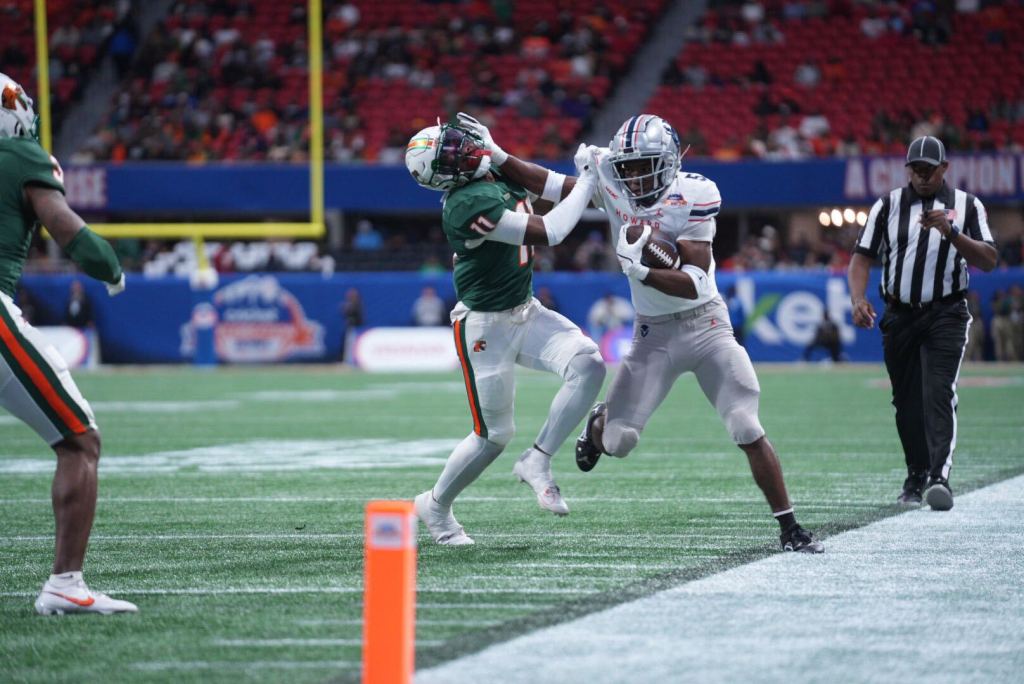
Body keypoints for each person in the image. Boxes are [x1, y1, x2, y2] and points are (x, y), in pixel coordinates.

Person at [472, 112, 823, 553]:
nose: (635, 177)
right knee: (618, 441)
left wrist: (640, 269)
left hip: (707, 324)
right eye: (628, 167)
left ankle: (790, 527)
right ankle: (597, 423)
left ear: (671, 160)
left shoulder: (695, 193)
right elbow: (549, 185)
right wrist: (497, 153)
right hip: (652, 333)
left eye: (645, 165)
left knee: (745, 425)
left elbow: (696, 279)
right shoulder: (609, 176)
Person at [404, 117, 605, 544]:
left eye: (459, 142)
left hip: (525, 310)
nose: (465, 149)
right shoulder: (464, 203)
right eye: (454, 152)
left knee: (589, 364)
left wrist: (589, 181)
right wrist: (589, 180)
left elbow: (558, 189)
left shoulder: (491, 169)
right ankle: (435, 506)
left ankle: (539, 459)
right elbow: (551, 230)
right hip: (484, 327)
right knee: (493, 435)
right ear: (444, 174)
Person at [0, 73, 135, 614]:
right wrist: (110, 266)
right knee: (80, 440)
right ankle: (64, 583)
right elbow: (64, 225)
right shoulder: (19, 155)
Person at [848, 135, 998, 510]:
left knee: (938, 391)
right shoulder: (888, 206)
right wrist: (857, 298)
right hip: (899, 314)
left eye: (930, 170)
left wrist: (951, 232)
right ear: (908, 170)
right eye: (917, 170)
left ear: (944, 169)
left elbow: (989, 259)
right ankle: (915, 473)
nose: (923, 177)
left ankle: (938, 476)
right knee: (906, 400)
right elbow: (861, 257)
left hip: (945, 312)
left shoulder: (966, 205)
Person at [339, 287, 363, 363]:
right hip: (350, 328)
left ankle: (353, 360)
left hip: (356, 329)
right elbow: (345, 314)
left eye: (353, 295)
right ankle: (346, 360)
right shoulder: (349, 304)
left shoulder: (357, 304)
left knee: (354, 345)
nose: (351, 297)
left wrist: (347, 308)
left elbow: (357, 317)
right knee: (347, 344)